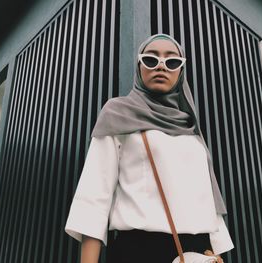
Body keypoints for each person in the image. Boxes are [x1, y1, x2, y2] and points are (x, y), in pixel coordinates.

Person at [65, 33, 234, 263]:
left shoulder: (190, 127)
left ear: (181, 71)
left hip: (198, 254)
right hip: (138, 250)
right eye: (151, 59)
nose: (161, 67)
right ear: (139, 66)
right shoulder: (119, 113)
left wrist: (218, 255)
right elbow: (94, 197)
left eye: (172, 61)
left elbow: (208, 202)